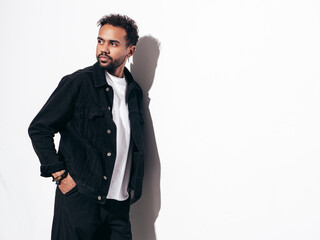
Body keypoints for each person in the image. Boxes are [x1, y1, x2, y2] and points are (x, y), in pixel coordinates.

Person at [28, 14, 144, 240]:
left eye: (113, 43)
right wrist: (61, 177)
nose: (104, 48)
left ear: (130, 51)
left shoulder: (135, 92)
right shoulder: (79, 83)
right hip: (81, 198)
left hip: (118, 206)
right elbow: (39, 128)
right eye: (101, 41)